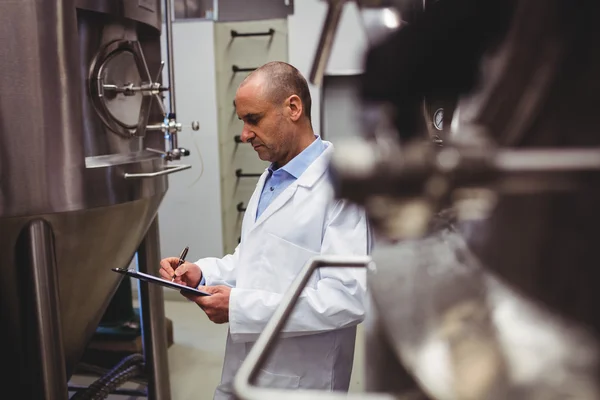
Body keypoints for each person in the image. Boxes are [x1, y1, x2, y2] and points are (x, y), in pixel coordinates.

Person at [159, 61, 369, 399]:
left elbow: (347, 298)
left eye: (253, 119)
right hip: (244, 371)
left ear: (293, 108)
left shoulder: (343, 189)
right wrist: (201, 274)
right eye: (242, 121)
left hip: (299, 382)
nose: (244, 134)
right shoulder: (273, 176)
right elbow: (256, 258)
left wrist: (241, 308)